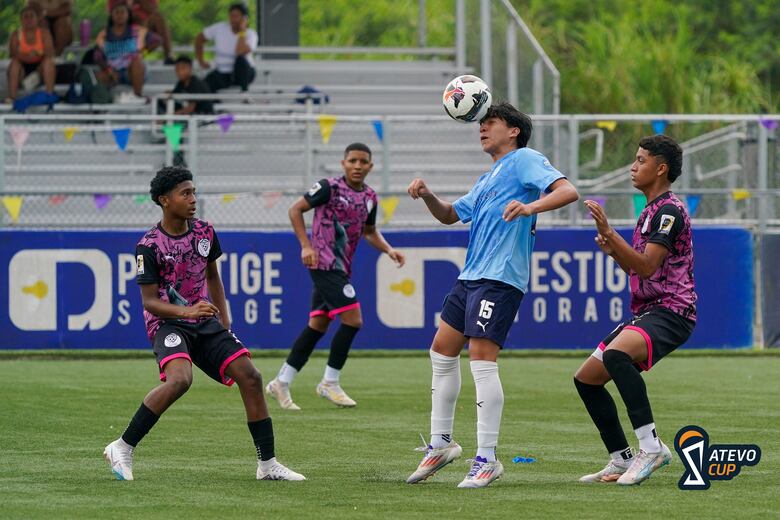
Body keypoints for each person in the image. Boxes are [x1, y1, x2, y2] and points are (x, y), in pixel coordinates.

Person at [405, 102, 579, 488]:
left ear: (513, 131)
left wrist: (530, 206)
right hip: (470, 277)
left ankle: (487, 458)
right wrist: (428, 195)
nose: (481, 128)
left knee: (481, 360)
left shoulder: (524, 159)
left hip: (500, 278)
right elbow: (450, 215)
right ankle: (441, 444)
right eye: (480, 124)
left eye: (491, 122)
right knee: (441, 352)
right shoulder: (488, 178)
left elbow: (568, 191)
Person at [103, 166, 305, 482]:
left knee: (251, 377)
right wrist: (187, 312)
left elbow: (213, 277)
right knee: (180, 380)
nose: (193, 199)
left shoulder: (205, 232)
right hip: (168, 324)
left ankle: (267, 465)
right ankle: (122, 446)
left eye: (194, 192)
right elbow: (149, 302)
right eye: (185, 193)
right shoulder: (149, 245)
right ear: (164, 200)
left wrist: (224, 321)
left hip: (204, 320)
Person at [575, 134, 696, 486]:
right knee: (586, 379)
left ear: (660, 169)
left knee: (616, 356)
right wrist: (613, 250)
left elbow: (645, 266)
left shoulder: (669, 211)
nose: (633, 166)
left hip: (673, 310)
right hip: (649, 310)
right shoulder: (650, 211)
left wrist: (611, 234)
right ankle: (620, 458)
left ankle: (651, 448)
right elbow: (637, 269)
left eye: (641, 160)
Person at [265, 143, 406, 410]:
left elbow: (369, 231)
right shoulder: (328, 187)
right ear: (343, 164)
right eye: (352, 161)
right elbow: (295, 209)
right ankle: (330, 382)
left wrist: (389, 250)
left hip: (341, 267)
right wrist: (306, 246)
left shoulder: (370, 197)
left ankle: (281, 382)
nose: (357, 166)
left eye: (363, 162)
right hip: (323, 263)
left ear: (370, 166)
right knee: (353, 319)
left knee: (317, 325)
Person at [94, 2, 160, 101]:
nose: (120, 15)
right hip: (113, 71)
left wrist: (142, 53)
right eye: (117, 12)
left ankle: (137, 96)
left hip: (133, 71)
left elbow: (156, 40)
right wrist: (108, 69)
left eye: (123, 12)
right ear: (112, 15)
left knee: (136, 61)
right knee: (99, 75)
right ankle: (104, 100)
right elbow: (97, 55)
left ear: (128, 15)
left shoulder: (137, 30)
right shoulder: (104, 34)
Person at [195, 2, 258, 93]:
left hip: (243, 74)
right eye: (231, 16)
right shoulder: (220, 28)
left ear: (244, 18)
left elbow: (240, 51)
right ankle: (215, 101)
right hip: (222, 72)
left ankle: (244, 93)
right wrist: (201, 61)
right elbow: (199, 38)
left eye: (236, 16)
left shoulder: (251, 34)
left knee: (241, 59)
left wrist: (242, 32)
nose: (233, 19)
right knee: (203, 87)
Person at [6, 6, 56, 102]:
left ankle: (49, 95)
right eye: (26, 17)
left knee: (48, 62)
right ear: (21, 20)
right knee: (14, 64)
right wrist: (31, 56)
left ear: (37, 19)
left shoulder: (44, 33)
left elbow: (49, 53)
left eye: (31, 16)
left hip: (40, 70)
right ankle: (12, 97)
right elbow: (13, 54)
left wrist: (33, 56)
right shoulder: (16, 35)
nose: (29, 20)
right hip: (22, 71)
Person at [107, 0, 174, 63]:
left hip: (146, 24)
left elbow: (152, 9)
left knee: (159, 19)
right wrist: (126, 3)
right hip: (126, 24)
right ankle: (127, 56)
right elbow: (112, 10)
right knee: (138, 19)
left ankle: (168, 55)